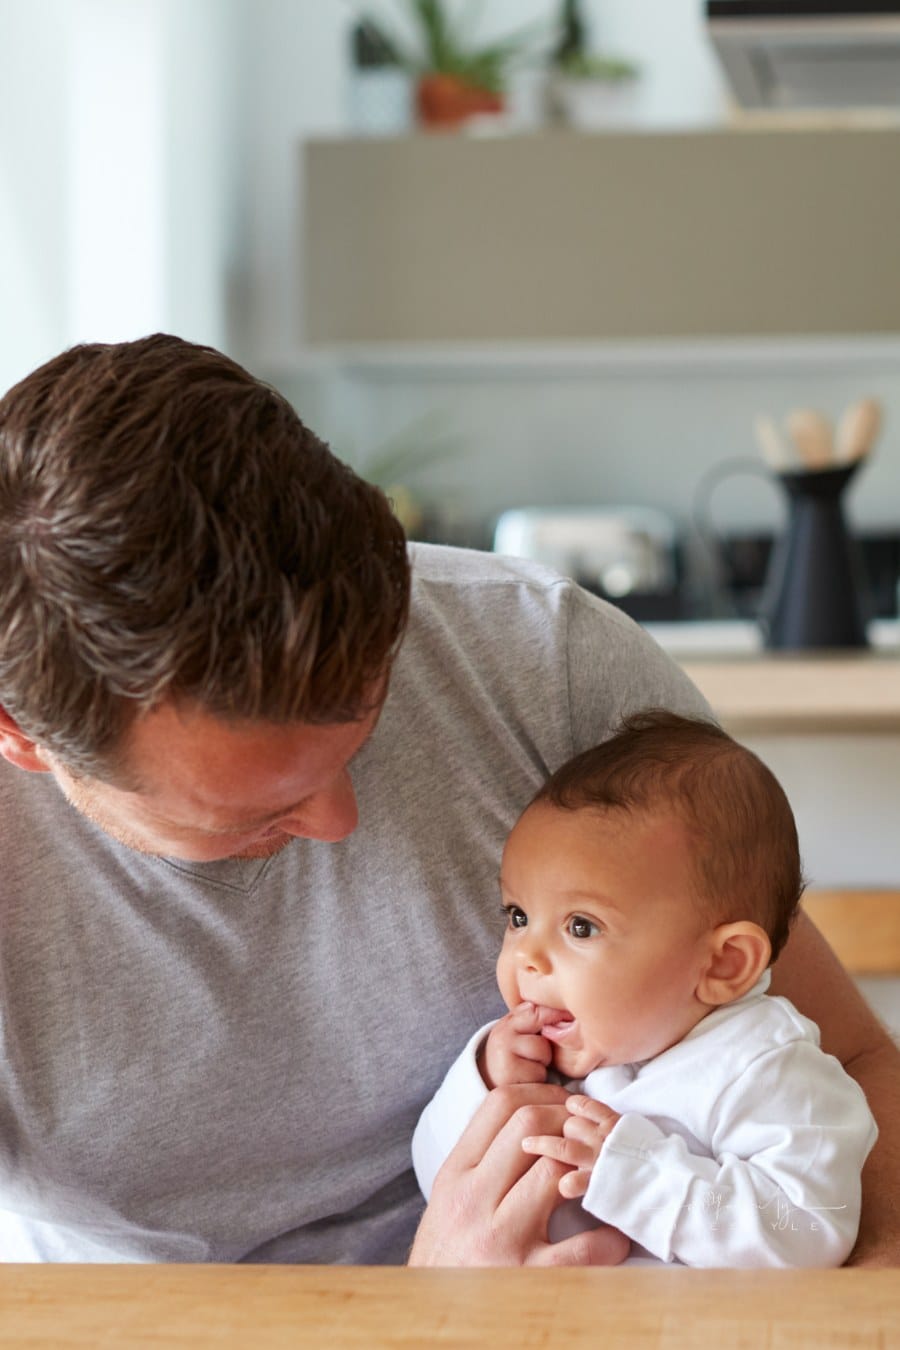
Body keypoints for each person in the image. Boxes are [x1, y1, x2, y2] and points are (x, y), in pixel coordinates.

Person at [0, 335, 896, 1265]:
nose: (340, 822)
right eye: (256, 810)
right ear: (20, 737)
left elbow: (855, 1070)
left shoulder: (544, 662)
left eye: (365, 726)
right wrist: (419, 1317)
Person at [412, 711, 878, 1267]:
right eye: (518, 916)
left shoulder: (767, 1069)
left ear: (723, 964)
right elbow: (441, 1190)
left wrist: (636, 1176)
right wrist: (487, 1084)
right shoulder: (552, 1057)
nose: (527, 956)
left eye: (581, 926)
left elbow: (808, 1227)